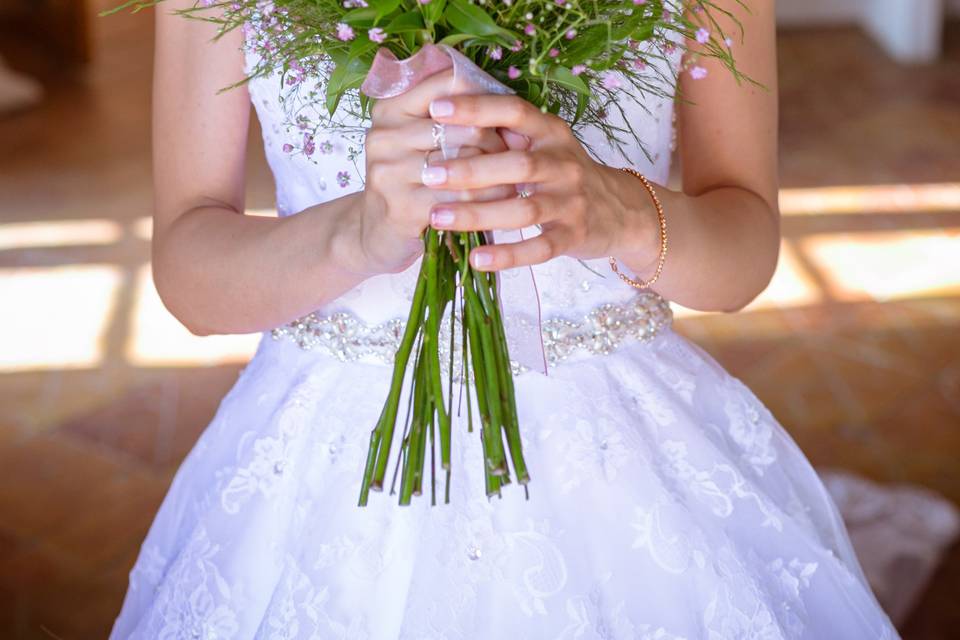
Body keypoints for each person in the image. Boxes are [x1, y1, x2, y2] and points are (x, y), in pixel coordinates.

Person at [110, 0, 901, 637]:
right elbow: (188, 270)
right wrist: (354, 235)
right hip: (319, 469)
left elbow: (745, 249)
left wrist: (623, 211)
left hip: (619, 462)